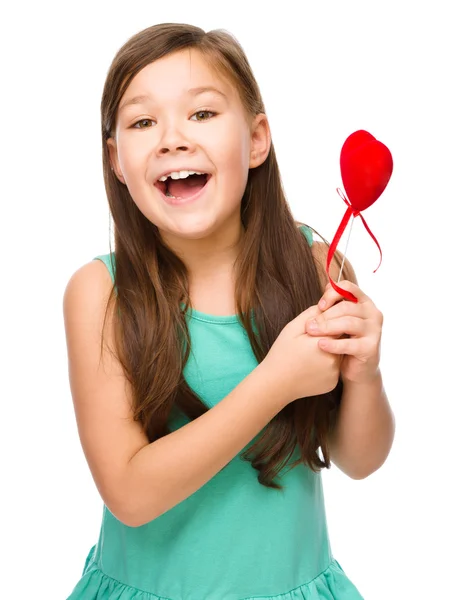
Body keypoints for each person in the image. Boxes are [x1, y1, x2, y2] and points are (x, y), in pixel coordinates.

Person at [63, 22, 395, 600]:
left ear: (258, 139)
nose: (172, 139)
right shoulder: (101, 292)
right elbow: (129, 494)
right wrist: (275, 382)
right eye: (143, 122)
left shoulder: (316, 265)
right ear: (117, 161)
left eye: (203, 114)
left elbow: (360, 459)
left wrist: (365, 375)